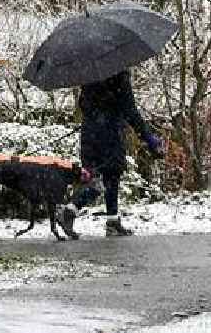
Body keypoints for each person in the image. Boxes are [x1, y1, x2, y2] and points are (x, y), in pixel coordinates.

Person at [57, 70, 163, 236]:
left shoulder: (89, 76)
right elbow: (130, 111)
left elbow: (83, 104)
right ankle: (70, 210)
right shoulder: (119, 74)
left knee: (103, 178)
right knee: (107, 178)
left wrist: (96, 115)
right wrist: (149, 139)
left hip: (90, 134)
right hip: (110, 135)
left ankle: (112, 220)